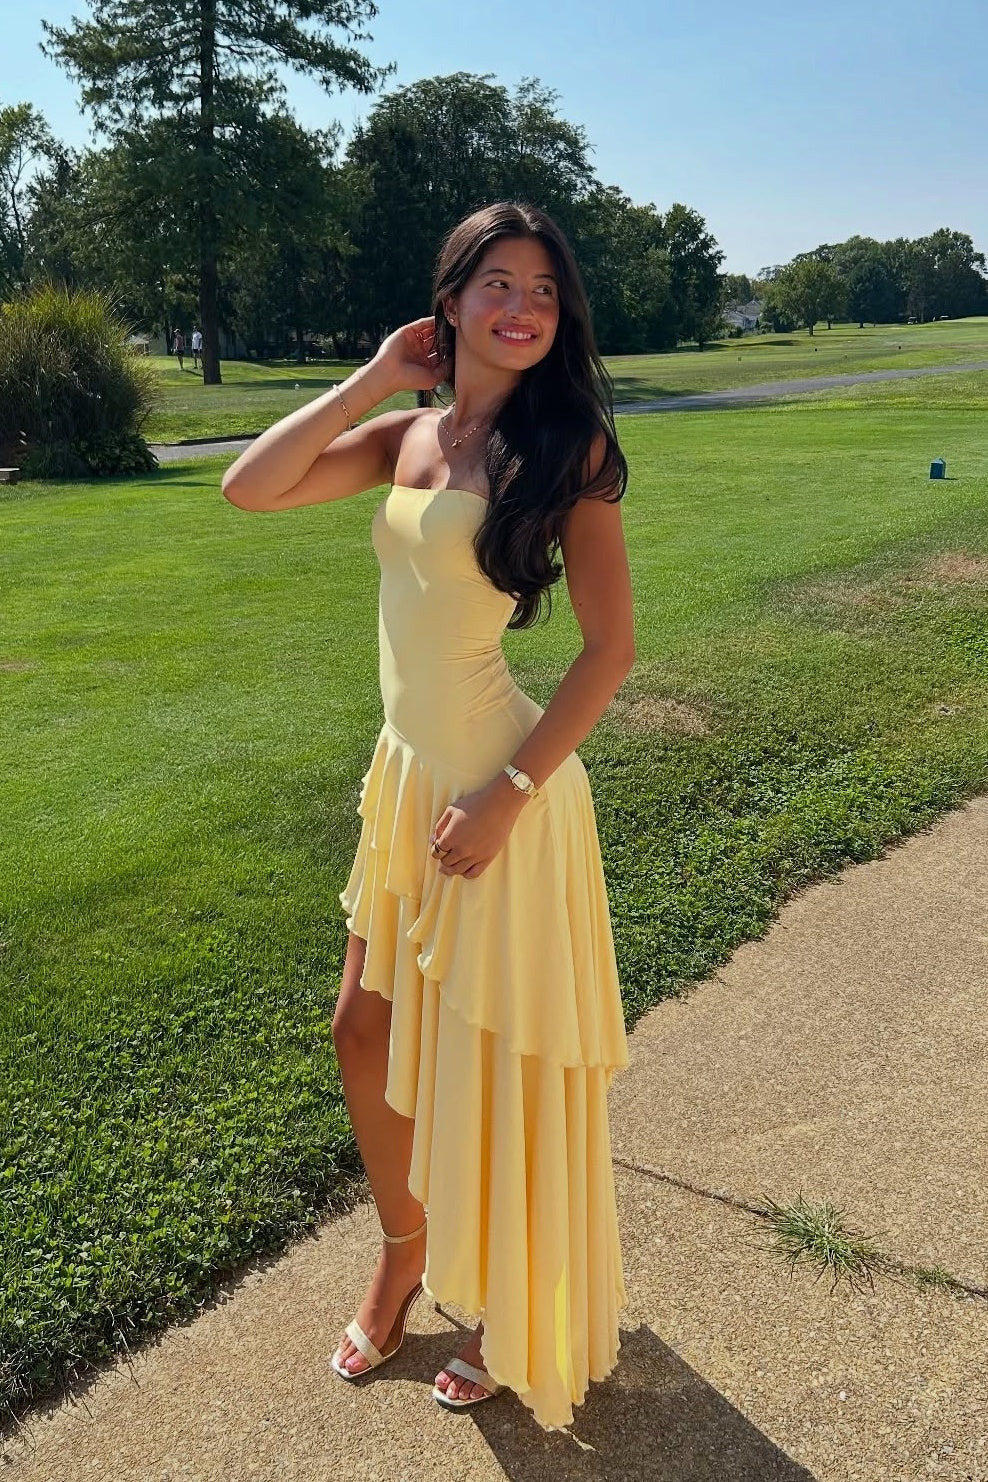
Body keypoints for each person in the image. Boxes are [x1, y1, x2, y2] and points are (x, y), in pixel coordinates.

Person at [221, 202, 635, 1429]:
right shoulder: (407, 434)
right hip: (405, 777)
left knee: (498, 1065)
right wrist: (372, 378)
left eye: (543, 290)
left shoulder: (568, 448)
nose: (522, 308)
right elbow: (250, 487)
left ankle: (511, 1303)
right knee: (362, 1030)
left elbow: (608, 651)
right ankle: (404, 1253)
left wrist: (508, 797)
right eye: (497, 282)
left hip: (503, 788)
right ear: (448, 301)